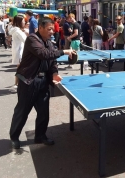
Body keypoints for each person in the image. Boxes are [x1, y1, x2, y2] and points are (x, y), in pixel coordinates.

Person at [9, 17, 76, 149]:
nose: (52, 31)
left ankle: (40, 136)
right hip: (29, 81)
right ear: (40, 28)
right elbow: (43, 54)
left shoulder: (50, 43)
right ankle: (14, 137)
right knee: (22, 111)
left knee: (43, 112)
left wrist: (55, 73)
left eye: (53, 29)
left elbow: (52, 61)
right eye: (49, 29)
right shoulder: (32, 39)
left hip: (43, 82)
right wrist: (64, 51)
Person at [9, 14, 27, 88]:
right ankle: (18, 84)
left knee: (19, 69)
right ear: (19, 22)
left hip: (18, 51)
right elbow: (26, 40)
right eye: (23, 21)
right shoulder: (18, 31)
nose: (24, 22)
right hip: (20, 52)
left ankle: (17, 83)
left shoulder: (16, 30)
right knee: (21, 69)